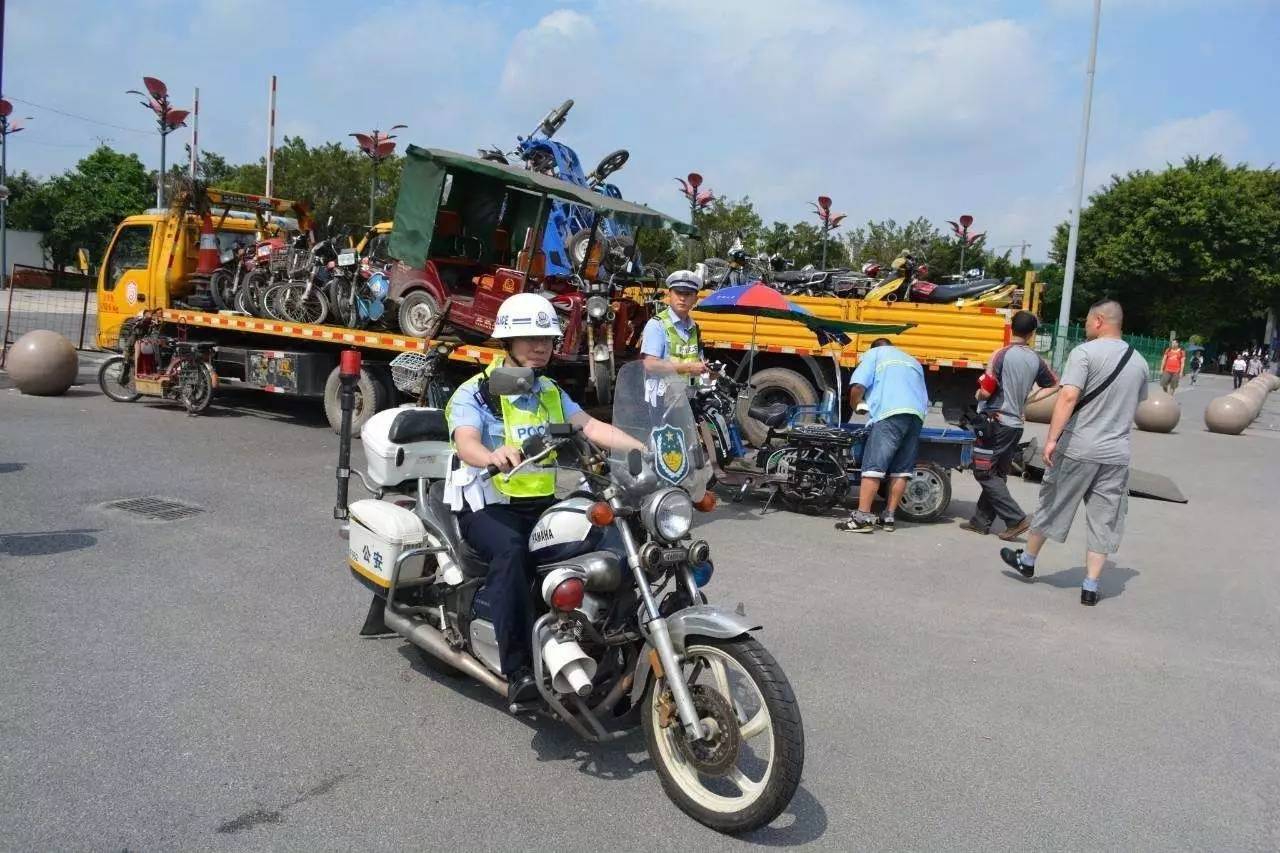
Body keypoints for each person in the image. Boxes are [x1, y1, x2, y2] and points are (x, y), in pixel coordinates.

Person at [443, 292, 640, 707]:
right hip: (487, 507)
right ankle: (518, 671)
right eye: (529, 337)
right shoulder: (476, 392)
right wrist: (491, 455)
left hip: (541, 505)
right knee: (512, 553)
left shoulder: (549, 390)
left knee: (602, 542)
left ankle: (602, 656)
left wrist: (644, 450)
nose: (540, 346)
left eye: (547, 338)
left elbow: (590, 427)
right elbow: (466, 443)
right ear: (507, 343)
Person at [999, 300, 1149, 606]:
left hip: (1079, 446)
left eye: (1087, 320)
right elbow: (1138, 403)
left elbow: (1068, 396)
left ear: (1098, 320)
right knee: (1104, 518)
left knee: (1053, 502)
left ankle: (1027, 561)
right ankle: (1090, 586)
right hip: (1116, 453)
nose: (1085, 325)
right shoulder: (1139, 361)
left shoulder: (1084, 353)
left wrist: (1052, 439)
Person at [959, 311, 1058, 540]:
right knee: (997, 474)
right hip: (1015, 425)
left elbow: (985, 391)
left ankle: (1016, 519)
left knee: (983, 472)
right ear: (1032, 334)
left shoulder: (1000, 354)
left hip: (996, 422)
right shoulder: (1035, 359)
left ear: (1011, 327)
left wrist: (977, 394)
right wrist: (1029, 399)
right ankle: (980, 521)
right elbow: (1054, 385)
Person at [835, 337, 928, 533]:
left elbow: (858, 387)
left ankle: (862, 518)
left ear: (875, 348)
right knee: (901, 469)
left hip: (890, 414)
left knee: (873, 467)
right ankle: (888, 517)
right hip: (915, 417)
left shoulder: (874, 354)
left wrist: (856, 405)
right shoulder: (912, 360)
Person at [640, 269, 707, 381]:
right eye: (678, 292)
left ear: (695, 299)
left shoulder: (695, 327)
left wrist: (708, 371)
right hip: (661, 396)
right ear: (669, 294)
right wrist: (688, 368)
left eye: (688, 294)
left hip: (686, 396)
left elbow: (697, 363)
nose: (682, 298)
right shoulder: (657, 325)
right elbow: (650, 365)